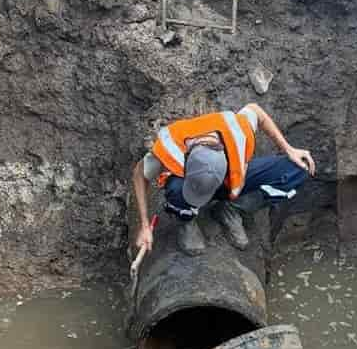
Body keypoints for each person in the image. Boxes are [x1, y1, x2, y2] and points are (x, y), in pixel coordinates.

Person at [132, 103, 316, 256]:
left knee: (298, 170)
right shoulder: (170, 147)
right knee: (174, 188)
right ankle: (186, 220)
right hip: (189, 184)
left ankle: (232, 209)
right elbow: (139, 174)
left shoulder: (237, 131)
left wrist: (289, 149)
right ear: (187, 165)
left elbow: (255, 110)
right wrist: (144, 224)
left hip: (231, 180)